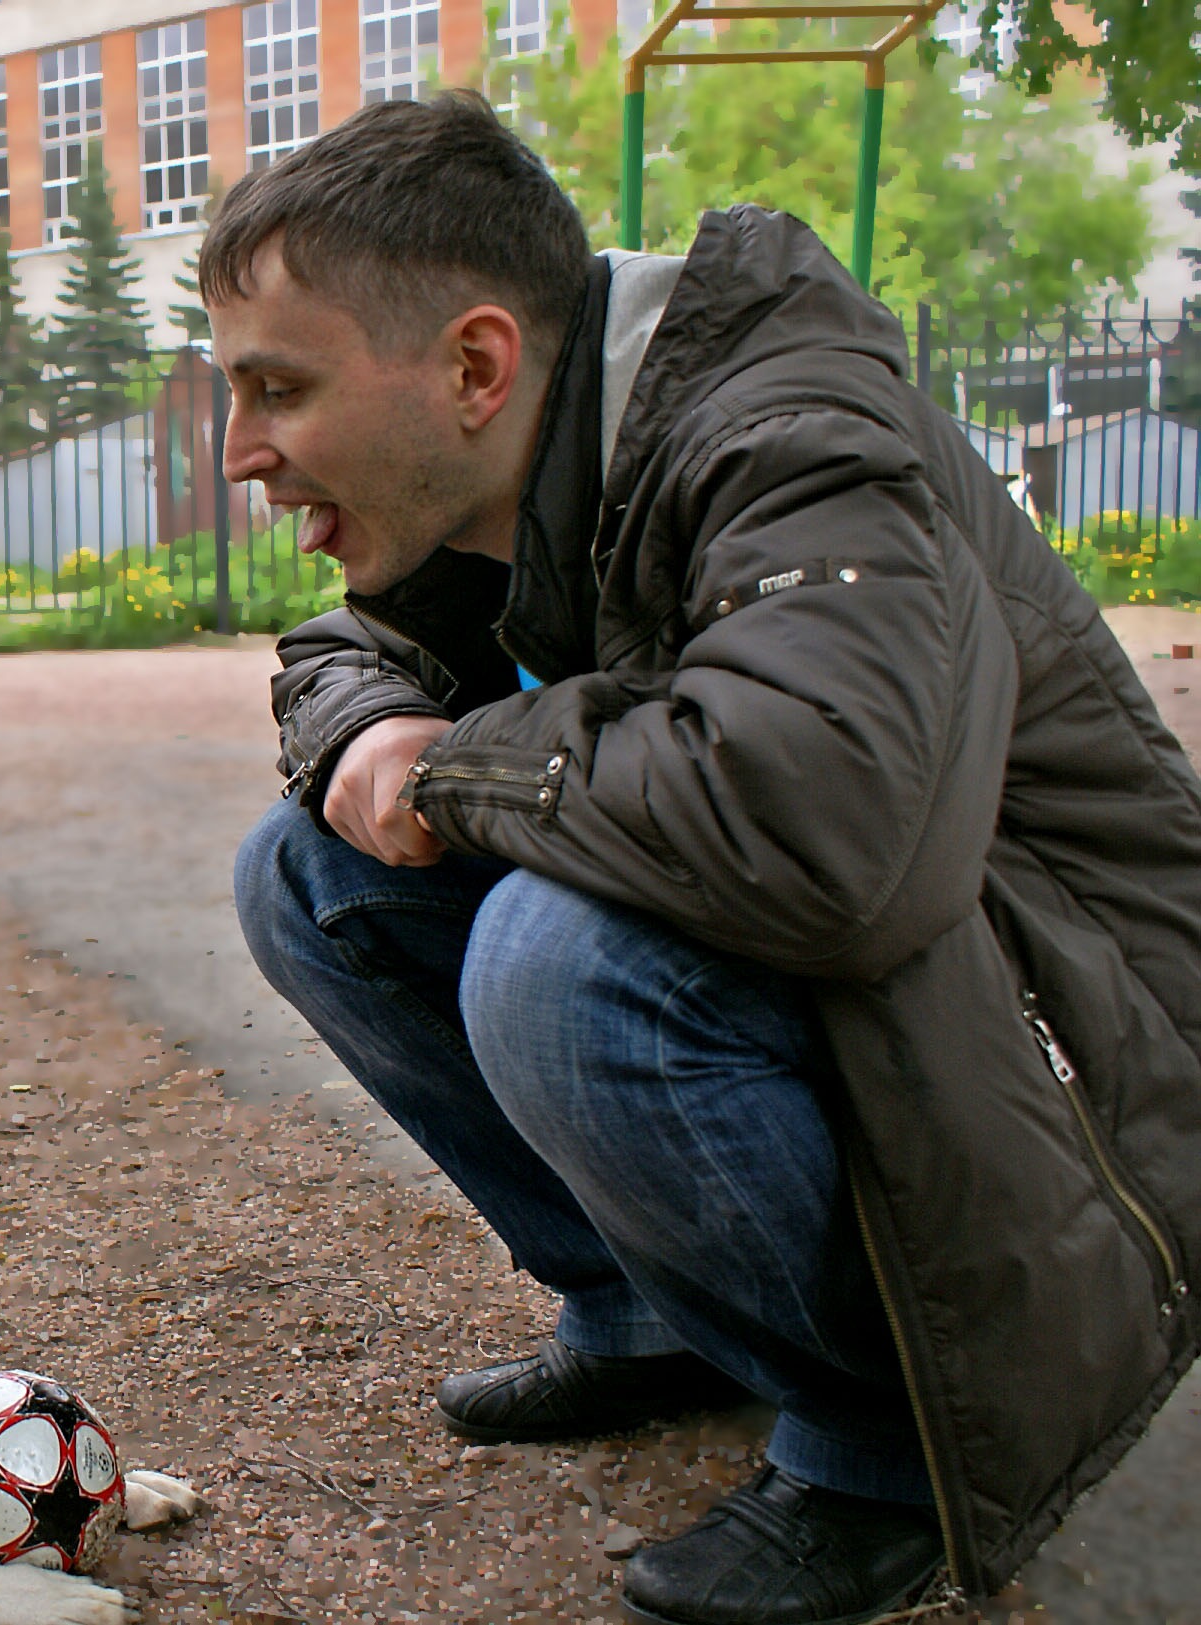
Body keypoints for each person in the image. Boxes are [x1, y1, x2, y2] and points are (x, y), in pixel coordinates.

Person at [210, 91, 1201, 1625]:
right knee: (310, 875)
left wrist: (454, 764)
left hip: (1083, 1055)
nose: (240, 452)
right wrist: (371, 735)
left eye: (278, 388)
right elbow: (346, 650)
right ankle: (646, 1318)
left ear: (475, 366)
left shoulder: (790, 435)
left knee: (559, 960)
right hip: (912, 984)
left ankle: (892, 1444)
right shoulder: (532, 467)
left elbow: (827, 830)